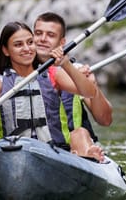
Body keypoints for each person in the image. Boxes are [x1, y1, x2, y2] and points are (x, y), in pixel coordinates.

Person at [0, 21, 97, 150]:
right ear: (6, 50)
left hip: (53, 152)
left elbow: (90, 92)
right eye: (18, 45)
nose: (27, 49)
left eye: (30, 42)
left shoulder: (53, 76)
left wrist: (66, 64)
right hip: (10, 151)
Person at [33, 12, 113, 162]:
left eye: (50, 35)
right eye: (38, 33)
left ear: (62, 42)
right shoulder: (19, 73)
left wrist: (92, 84)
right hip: (37, 144)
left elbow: (105, 120)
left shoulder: (77, 71)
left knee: (80, 133)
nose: (42, 39)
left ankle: (89, 154)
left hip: (74, 144)